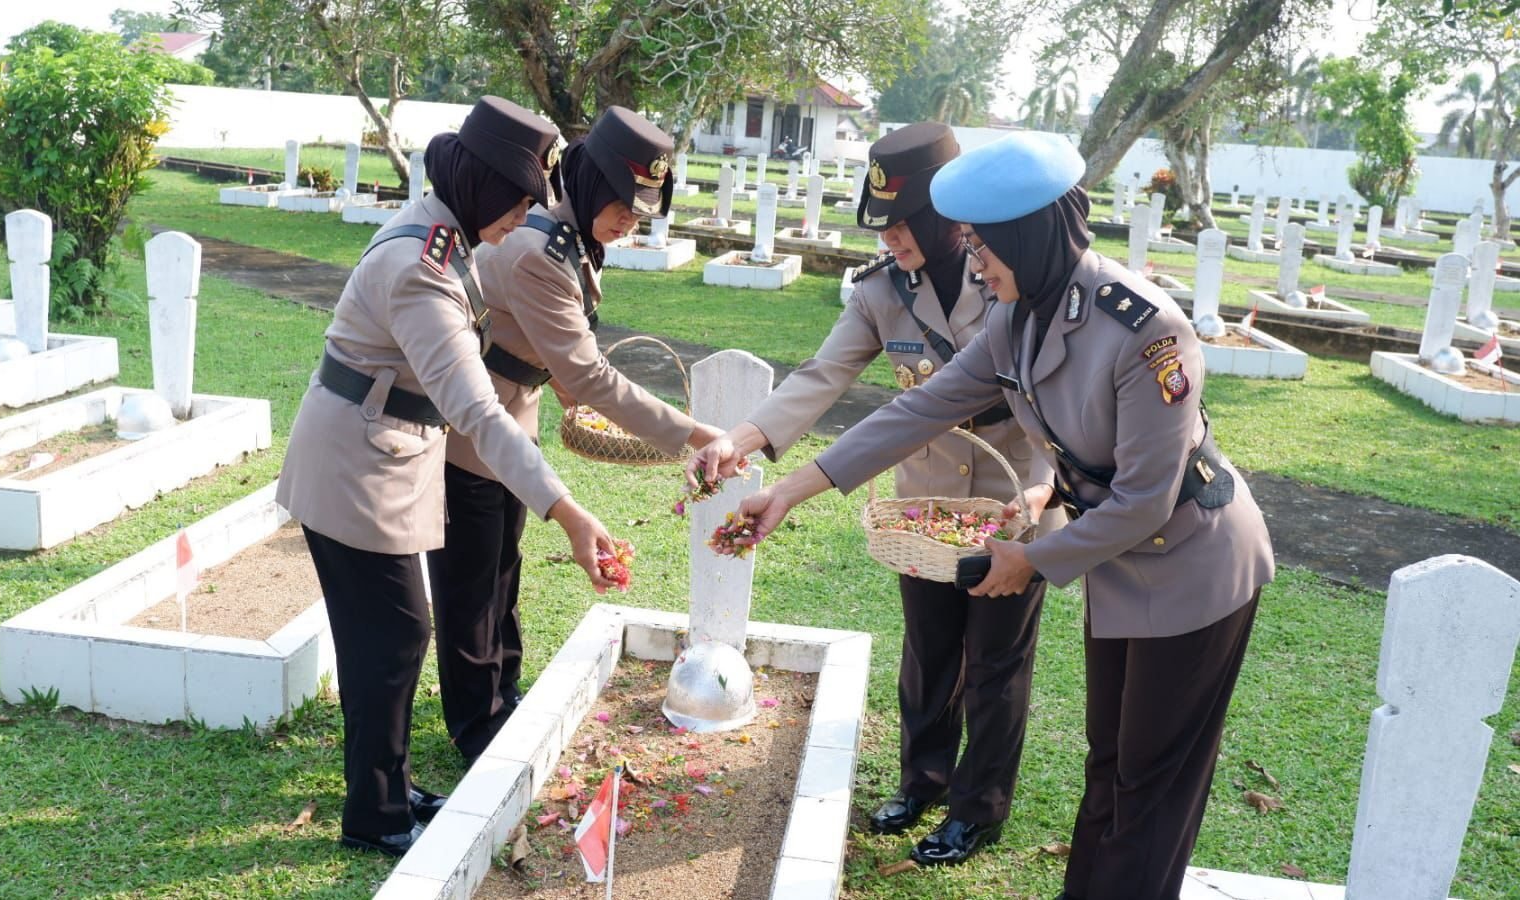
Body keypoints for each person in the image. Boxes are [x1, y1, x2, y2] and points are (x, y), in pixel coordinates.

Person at [727, 132, 1274, 900]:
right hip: (1121, 563)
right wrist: (791, 490)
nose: (975, 263)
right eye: (971, 246)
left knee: (1152, 777)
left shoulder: (1147, 331)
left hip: (1194, 563)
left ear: (1029, 235)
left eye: (984, 246)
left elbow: (1148, 496)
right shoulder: (1020, 317)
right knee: (1111, 760)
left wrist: (1031, 559)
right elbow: (920, 408)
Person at [686, 122, 1066, 867]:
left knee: (995, 660)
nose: (891, 240)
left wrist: (1046, 487)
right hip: (923, 496)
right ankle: (923, 780)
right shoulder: (880, 292)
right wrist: (747, 438)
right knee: (928, 647)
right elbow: (823, 376)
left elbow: (1057, 395)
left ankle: (978, 809)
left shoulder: (1011, 274)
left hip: (1015, 493)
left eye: (902, 224)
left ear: (945, 216)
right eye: (883, 226)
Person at [276, 95, 620, 858]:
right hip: (354, 464)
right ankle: (375, 815)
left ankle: (386, 790)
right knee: (394, 635)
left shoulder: (451, 237)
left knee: (391, 636)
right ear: (485, 186)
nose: (526, 215)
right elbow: (479, 412)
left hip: (386, 454)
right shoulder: (422, 268)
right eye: (521, 198)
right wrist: (570, 514)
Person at [428, 106, 723, 760]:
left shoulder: (573, 240)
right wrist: (694, 435)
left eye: (641, 211)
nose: (628, 220)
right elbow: (590, 375)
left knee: (503, 567)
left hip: (513, 415)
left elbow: (551, 349)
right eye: (622, 203)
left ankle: (500, 693)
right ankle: (476, 723)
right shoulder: (541, 251)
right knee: (473, 580)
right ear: (590, 183)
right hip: (472, 428)